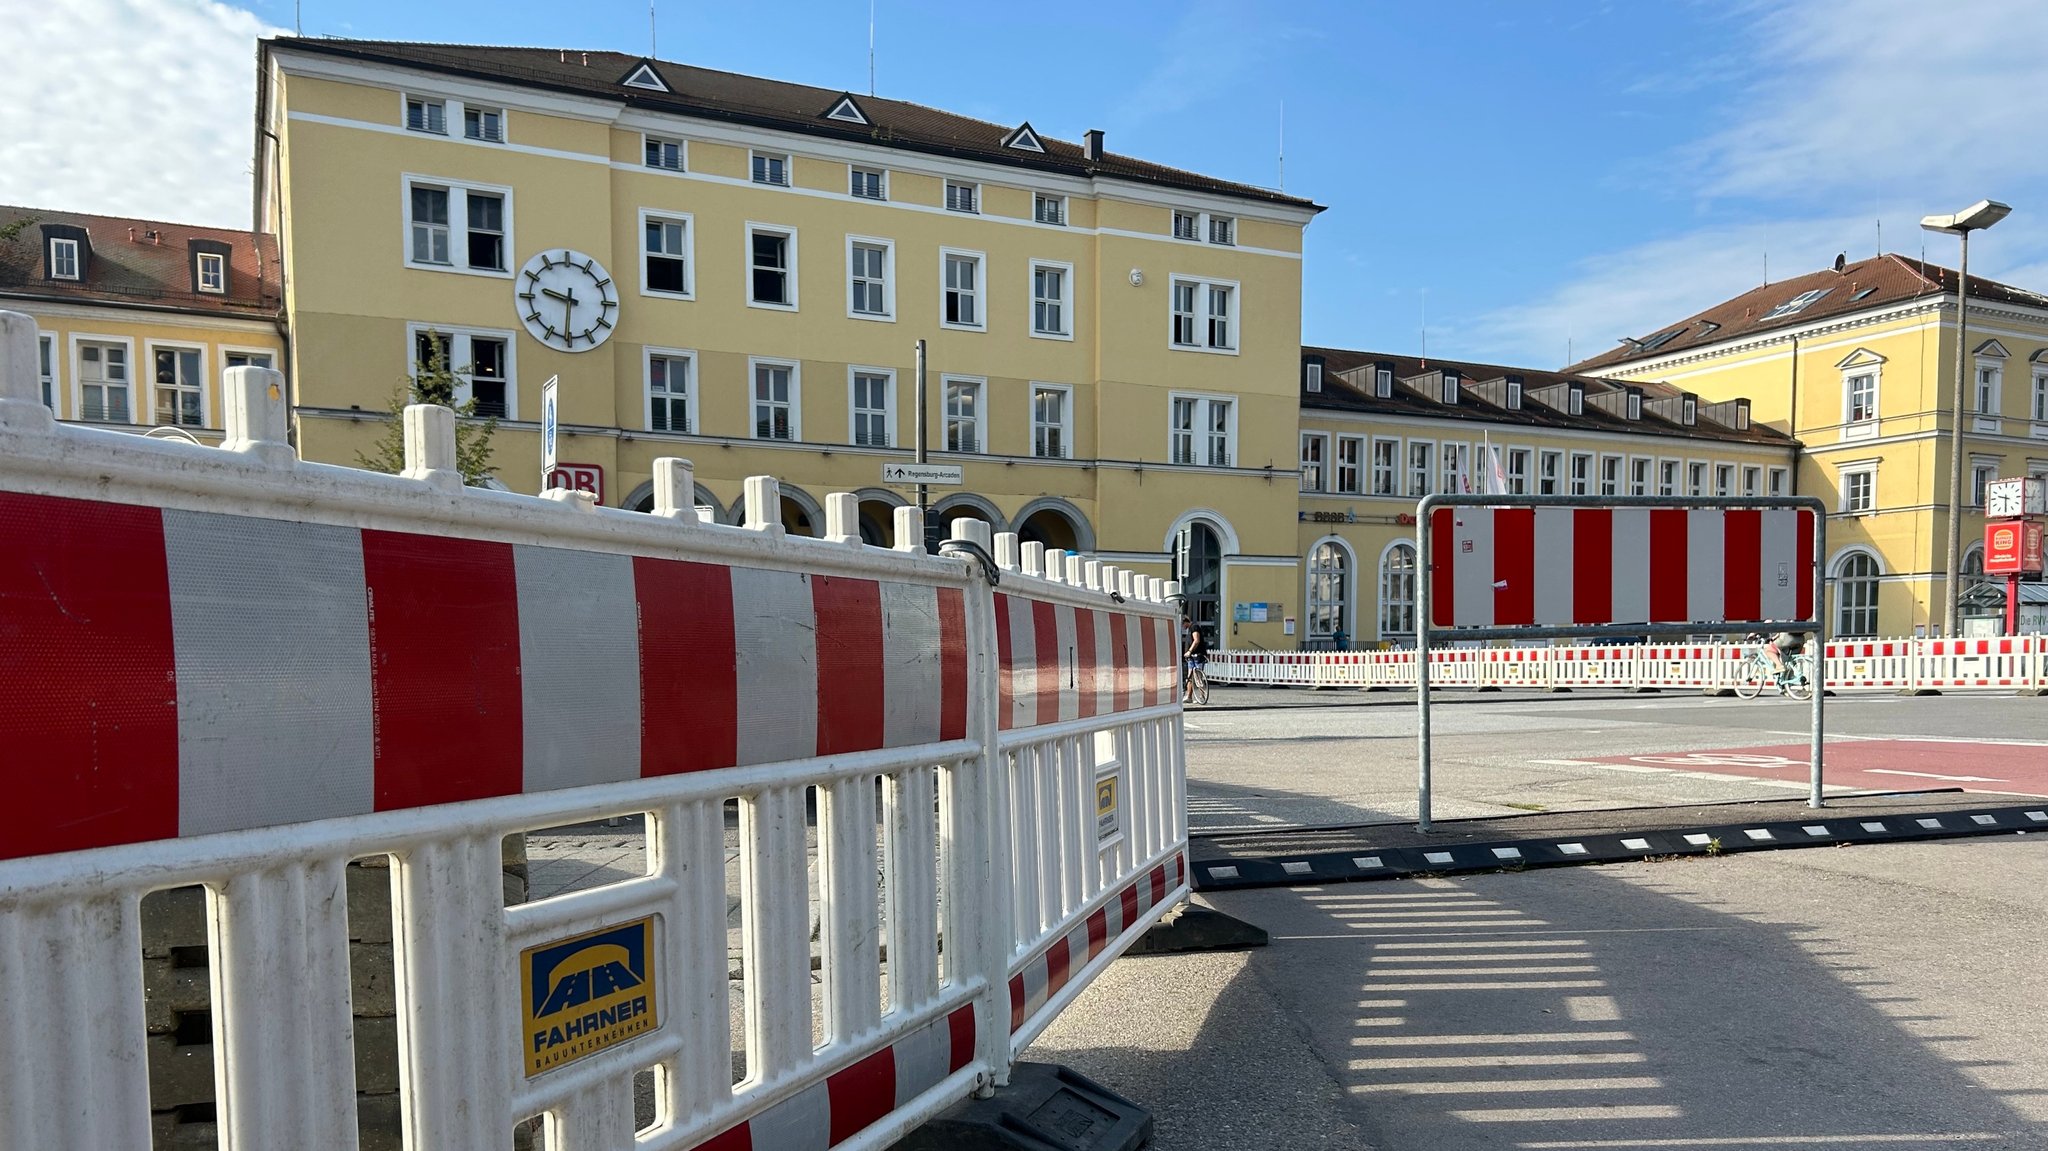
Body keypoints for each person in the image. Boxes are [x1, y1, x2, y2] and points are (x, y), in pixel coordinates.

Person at [1183, 625, 1211, 702]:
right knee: (1190, 677)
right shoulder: (1189, 630)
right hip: (1191, 657)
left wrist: (1189, 651)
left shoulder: (1194, 627)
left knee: (1198, 677)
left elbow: (1196, 640)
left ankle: (1202, 696)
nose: (1182, 626)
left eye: (1183, 623)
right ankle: (1189, 697)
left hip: (1197, 656)